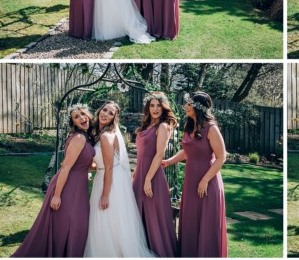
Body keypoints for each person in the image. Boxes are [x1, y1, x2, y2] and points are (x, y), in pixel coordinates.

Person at [12, 104, 96, 257]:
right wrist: (57, 195)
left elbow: (84, 163)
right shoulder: (79, 138)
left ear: (89, 115)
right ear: (74, 123)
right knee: (68, 225)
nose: (81, 118)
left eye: (83, 114)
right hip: (68, 186)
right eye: (76, 117)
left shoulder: (85, 137)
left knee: (77, 224)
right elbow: (65, 167)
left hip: (79, 184)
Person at [84, 101, 156, 257]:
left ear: (114, 118)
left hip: (109, 180)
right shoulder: (100, 133)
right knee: (111, 220)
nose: (106, 114)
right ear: (99, 110)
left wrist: (105, 194)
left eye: (111, 113)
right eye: (105, 110)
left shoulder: (105, 136)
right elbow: (103, 163)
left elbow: (109, 167)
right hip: (106, 176)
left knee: (107, 217)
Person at [162, 92, 227, 257]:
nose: (185, 107)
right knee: (191, 220)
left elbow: (221, 157)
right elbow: (186, 151)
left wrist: (205, 180)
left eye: (188, 104)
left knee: (206, 222)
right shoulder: (189, 126)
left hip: (208, 181)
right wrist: (169, 161)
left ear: (197, 107)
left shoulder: (211, 128)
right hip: (191, 180)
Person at [132, 92, 178, 257]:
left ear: (164, 107)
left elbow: (159, 155)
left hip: (152, 177)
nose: (155, 109)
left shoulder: (163, 126)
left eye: (159, 105)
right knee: (138, 215)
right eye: (152, 105)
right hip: (140, 176)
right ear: (147, 107)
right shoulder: (146, 126)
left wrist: (148, 180)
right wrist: (137, 174)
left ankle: (160, 252)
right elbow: (141, 155)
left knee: (154, 218)